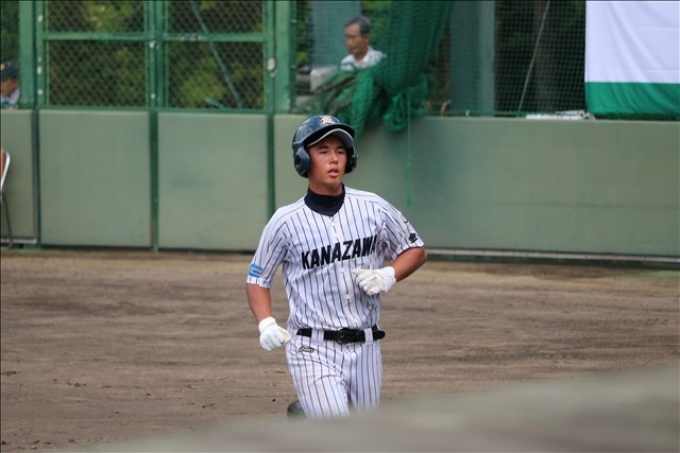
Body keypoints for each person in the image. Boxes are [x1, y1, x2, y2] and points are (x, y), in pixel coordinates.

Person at [246, 114, 427, 420]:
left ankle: (306, 419)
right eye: (323, 151)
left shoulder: (373, 207)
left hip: (367, 346)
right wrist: (265, 323)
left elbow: (415, 249)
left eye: (340, 151)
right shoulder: (285, 222)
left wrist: (389, 274)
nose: (334, 159)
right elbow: (257, 278)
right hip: (312, 348)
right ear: (304, 159)